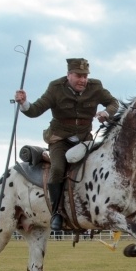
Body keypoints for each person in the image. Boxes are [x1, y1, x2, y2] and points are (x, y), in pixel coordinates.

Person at [15, 58, 119, 230]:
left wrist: (106, 113)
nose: (83, 80)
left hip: (85, 139)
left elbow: (113, 103)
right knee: (57, 169)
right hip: (59, 139)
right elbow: (35, 110)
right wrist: (24, 103)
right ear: (69, 74)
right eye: (79, 76)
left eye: (85, 76)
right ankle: (57, 212)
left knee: (99, 167)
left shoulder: (96, 87)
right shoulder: (55, 88)